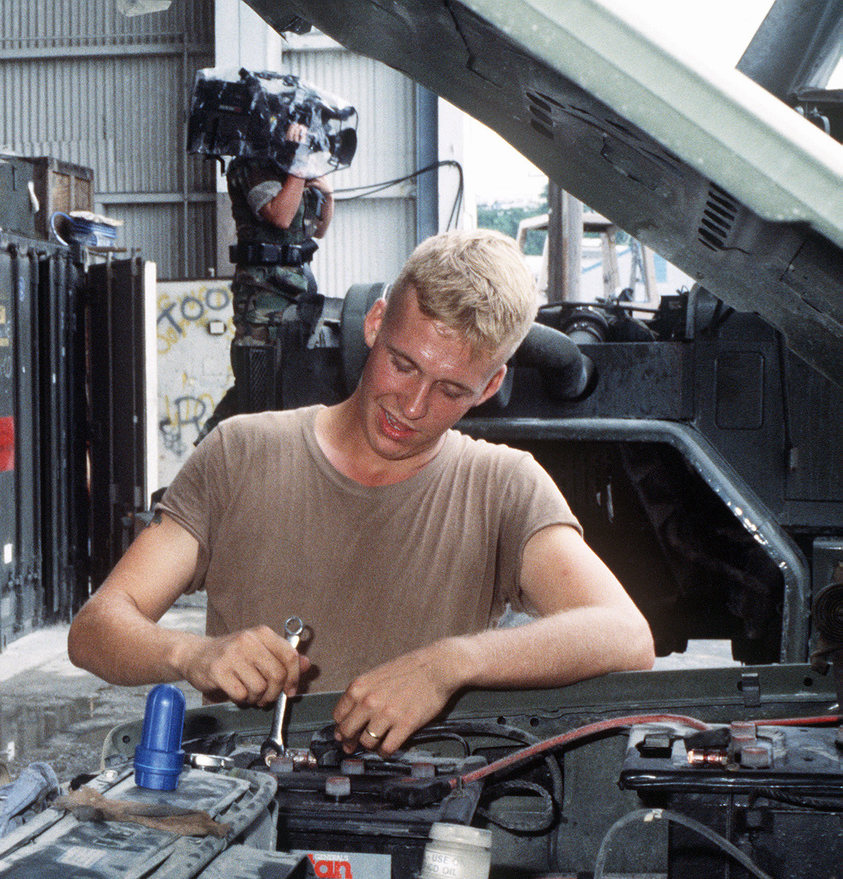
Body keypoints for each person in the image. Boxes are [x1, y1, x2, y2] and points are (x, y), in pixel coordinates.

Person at [69, 228, 654, 756]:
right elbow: (96, 630)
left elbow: (625, 634)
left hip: (419, 819)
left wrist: (452, 663)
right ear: (374, 324)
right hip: (248, 805)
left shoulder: (502, 486)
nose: (413, 406)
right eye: (403, 364)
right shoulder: (240, 452)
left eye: (451, 389)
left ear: (491, 385)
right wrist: (192, 656)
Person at [227, 120, 335, 351]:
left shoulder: (290, 170)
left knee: (293, 368)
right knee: (258, 367)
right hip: (262, 289)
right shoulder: (251, 164)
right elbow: (280, 217)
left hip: (296, 286)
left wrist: (329, 196)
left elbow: (319, 230)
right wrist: (299, 164)